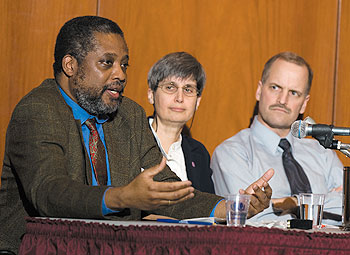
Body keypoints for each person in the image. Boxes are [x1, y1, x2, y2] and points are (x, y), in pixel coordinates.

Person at [0, 16, 273, 253]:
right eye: (107, 63)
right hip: (39, 246)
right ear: (70, 66)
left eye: (124, 65)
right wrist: (123, 197)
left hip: (112, 246)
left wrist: (232, 207)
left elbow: (168, 189)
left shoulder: (128, 114)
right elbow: (49, 194)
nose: (120, 74)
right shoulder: (38, 109)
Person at [211, 51, 343, 223]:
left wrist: (292, 203)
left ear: (304, 103)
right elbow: (252, 217)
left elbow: (346, 207)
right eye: (275, 87)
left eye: (294, 93)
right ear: (259, 91)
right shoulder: (231, 153)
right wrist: (326, 200)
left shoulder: (322, 153)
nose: (282, 100)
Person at [147, 52, 214, 193]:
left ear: (197, 102)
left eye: (188, 89)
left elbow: (206, 208)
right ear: (151, 94)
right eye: (170, 87)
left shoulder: (199, 154)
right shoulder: (130, 140)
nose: (179, 98)